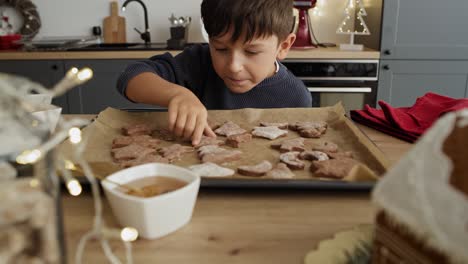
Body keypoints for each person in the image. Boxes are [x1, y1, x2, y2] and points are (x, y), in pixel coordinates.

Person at [116, 0, 312, 146]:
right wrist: (177, 94)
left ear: (283, 46)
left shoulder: (296, 96)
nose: (234, 66)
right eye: (220, 49)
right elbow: (131, 76)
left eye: (251, 52)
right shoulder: (198, 63)